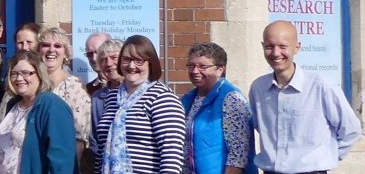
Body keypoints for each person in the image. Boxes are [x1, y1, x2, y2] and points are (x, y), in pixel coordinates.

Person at [250, 20, 361, 174]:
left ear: (297, 47)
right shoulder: (258, 88)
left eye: (283, 46)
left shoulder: (321, 86)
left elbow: (351, 130)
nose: (276, 53)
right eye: (269, 46)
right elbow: (260, 126)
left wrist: (325, 157)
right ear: (263, 47)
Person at [93, 35, 184, 174]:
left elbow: (171, 157)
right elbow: (101, 152)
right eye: (126, 59)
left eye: (139, 61)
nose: (131, 66)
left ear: (151, 63)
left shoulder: (162, 98)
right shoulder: (112, 97)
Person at [0, 51, 75, 174]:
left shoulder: (51, 105)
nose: (19, 78)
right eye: (14, 74)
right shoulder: (13, 104)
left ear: (40, 74)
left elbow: (61, 160)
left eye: (26, 73)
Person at [180, 42, 252, 174]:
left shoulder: (231, 98)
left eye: (203, 66)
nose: (195, 71)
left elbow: (238, 156)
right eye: (191, 66)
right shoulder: (187, 100)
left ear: (220, 69)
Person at [36, 28, 90, 167]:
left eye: (58, 46)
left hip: (60, 162)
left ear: (65, 53)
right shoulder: (31, 84)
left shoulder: (74, 87)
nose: (51, 50)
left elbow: (79, 138)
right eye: (46, 45)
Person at [87, 39, 121, 171]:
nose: (108, 63)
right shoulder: (97, 97)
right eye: (103, 60)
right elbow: (95, 140)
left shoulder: (139, 92)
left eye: (113, 58)